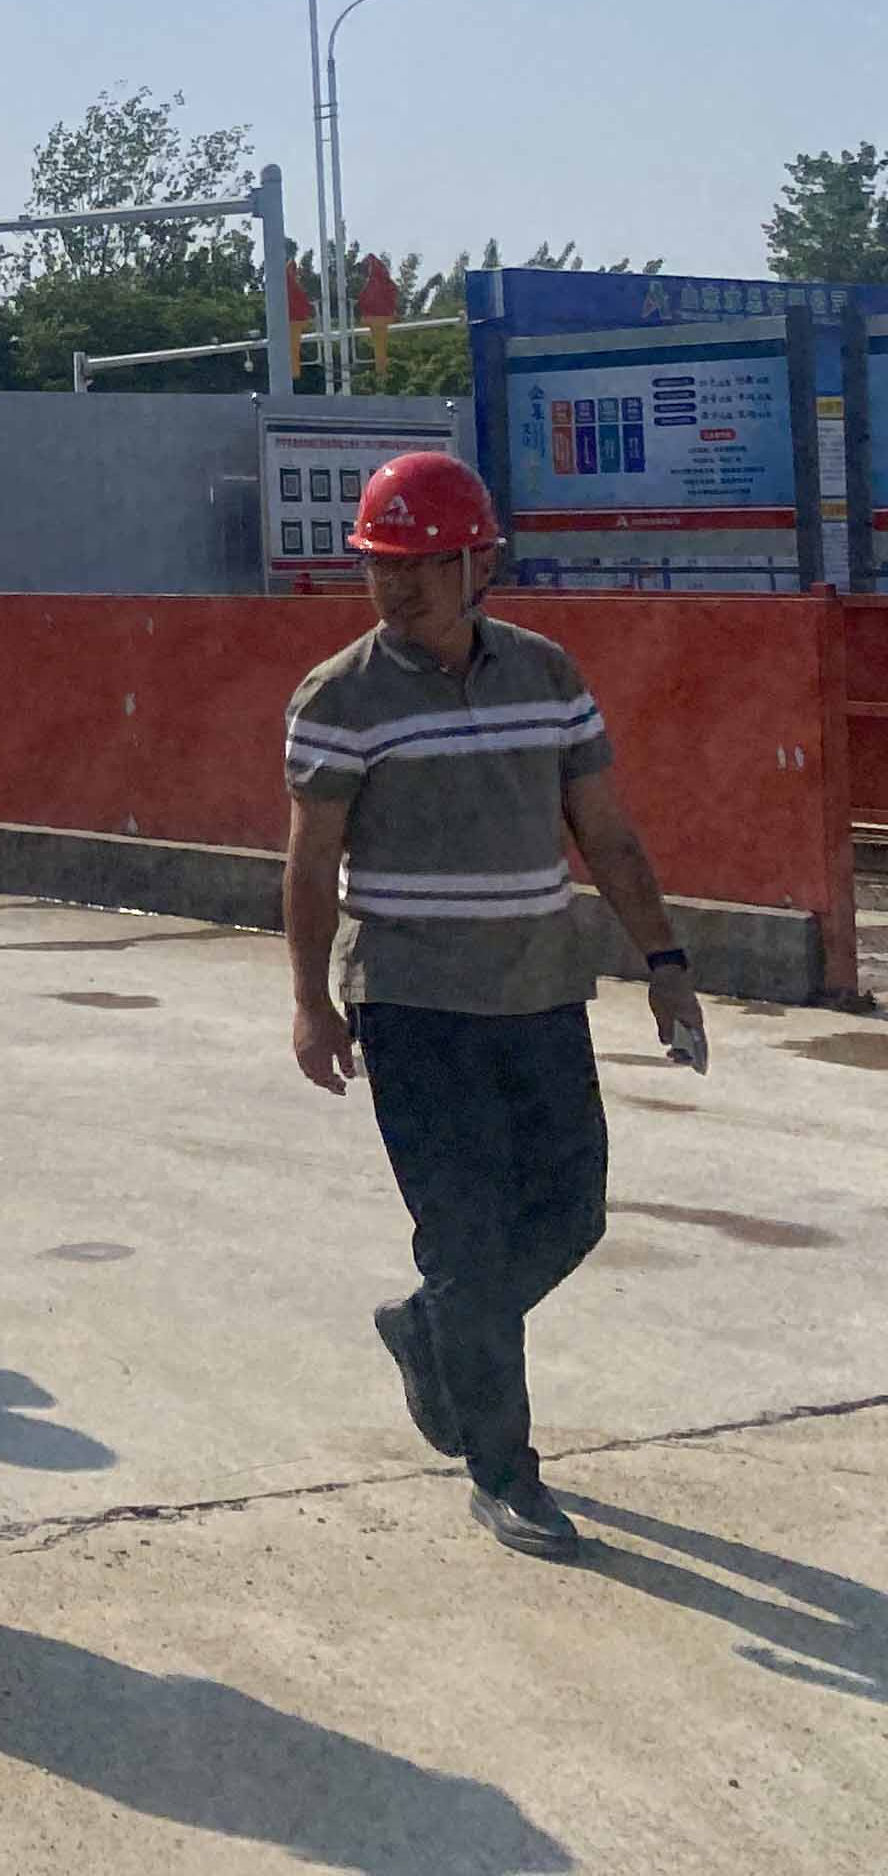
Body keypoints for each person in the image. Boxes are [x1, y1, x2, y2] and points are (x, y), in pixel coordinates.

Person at [281, 451, 701, 1562]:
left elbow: (605, 832)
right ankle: (505, 1472)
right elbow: (309, 863)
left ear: (481, 564)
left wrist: (664, 960)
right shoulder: (340, 698)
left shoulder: (548, 676)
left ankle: (431, 1330)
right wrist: (312, 1002)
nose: (398, 587)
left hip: (540, 991)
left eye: (422, 565)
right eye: (381, 565)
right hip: (413, 1005)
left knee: (570, 1216)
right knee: (466, 1243)